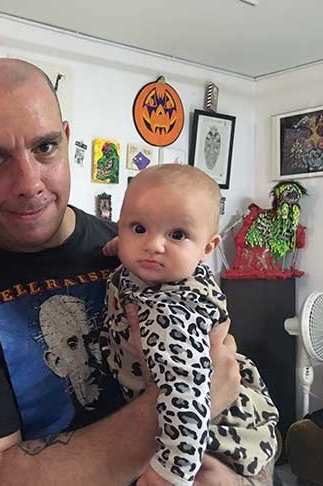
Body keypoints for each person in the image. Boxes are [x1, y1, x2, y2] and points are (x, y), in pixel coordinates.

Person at [0, 58, 269, 485]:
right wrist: (186, 403)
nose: (29, 183)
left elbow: (230, 375)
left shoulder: (136, 251)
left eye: (44, 147)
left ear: (66, 139)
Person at [101, 164, 279, 486]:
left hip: (214, 432)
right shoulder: (153, 268)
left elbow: (187, 395)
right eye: (139, 228)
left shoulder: (170, 312)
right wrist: (121, 245)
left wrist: (171, 471)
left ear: (207, 248)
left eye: (177, 235)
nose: (153, 245)